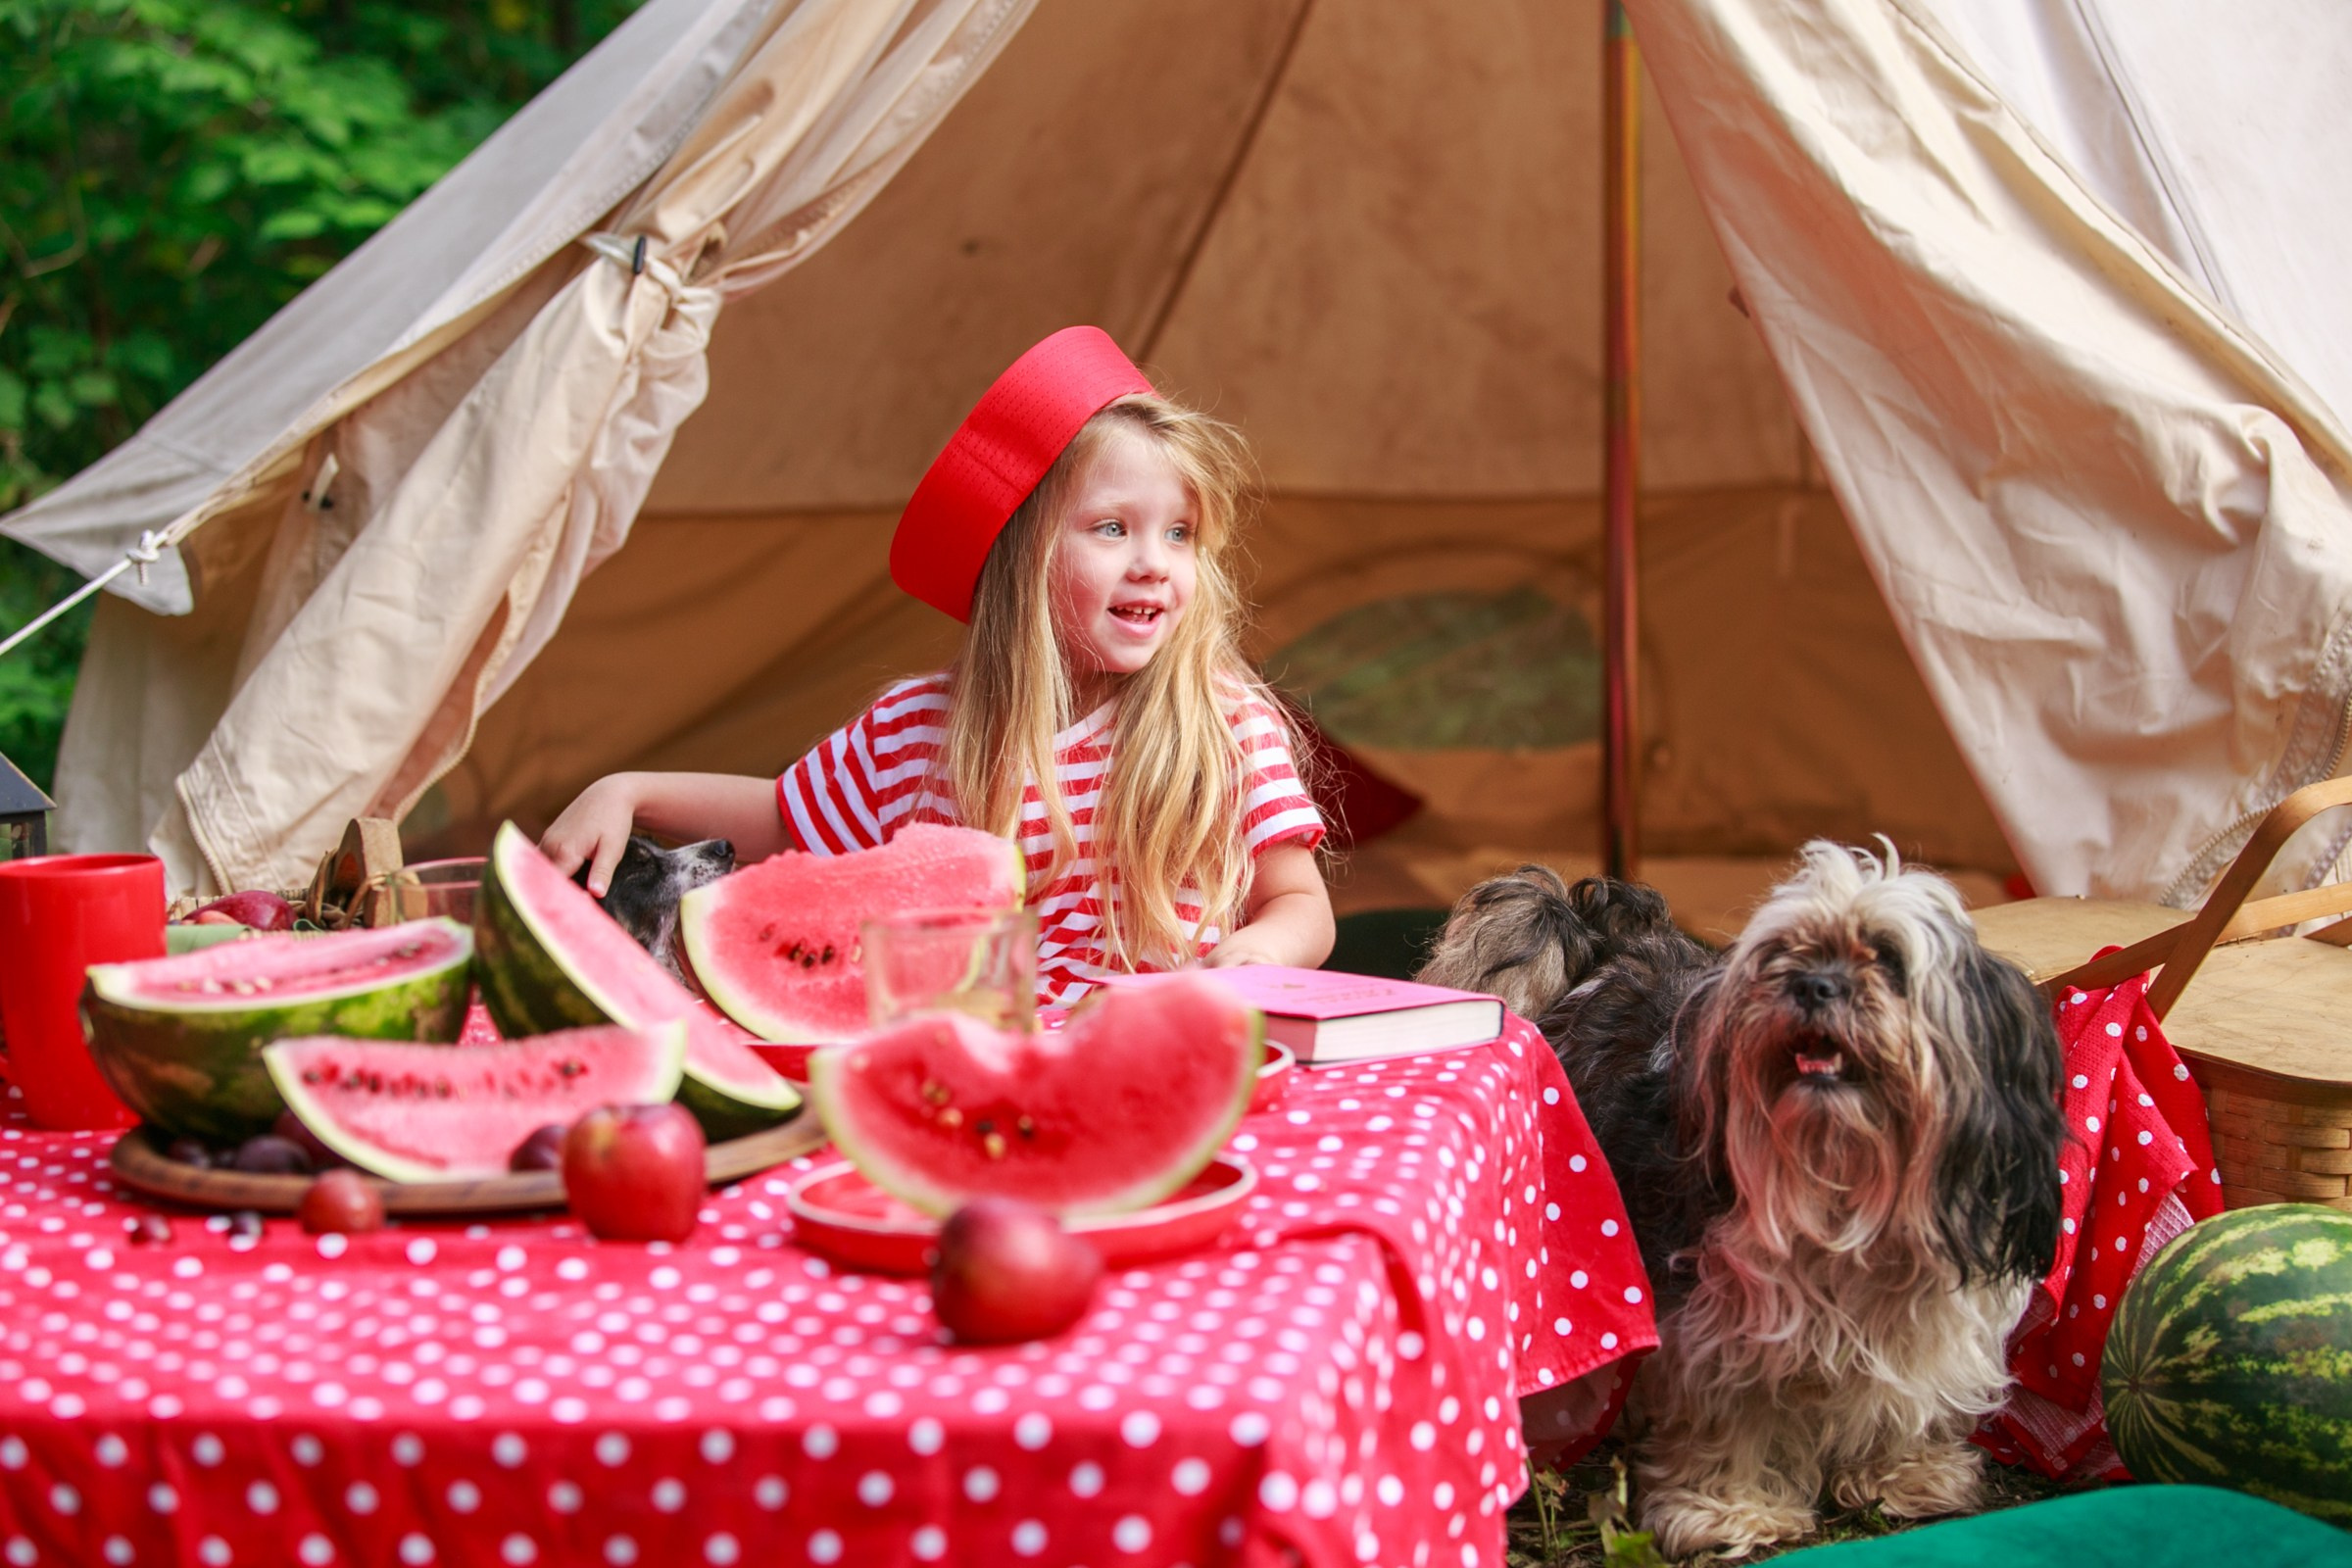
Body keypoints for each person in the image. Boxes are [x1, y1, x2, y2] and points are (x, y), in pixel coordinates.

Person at [541, 326, 1333, 1005]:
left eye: (1179, 533)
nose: (1155, 562)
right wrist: (630, 791)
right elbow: (785, 820)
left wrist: (1262, 949)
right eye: (1113, 528)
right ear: (1021, 557)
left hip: (1168, 1047)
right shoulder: (915, 729)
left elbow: (1300, 901)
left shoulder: (1223, 719)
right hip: (962, 1063)